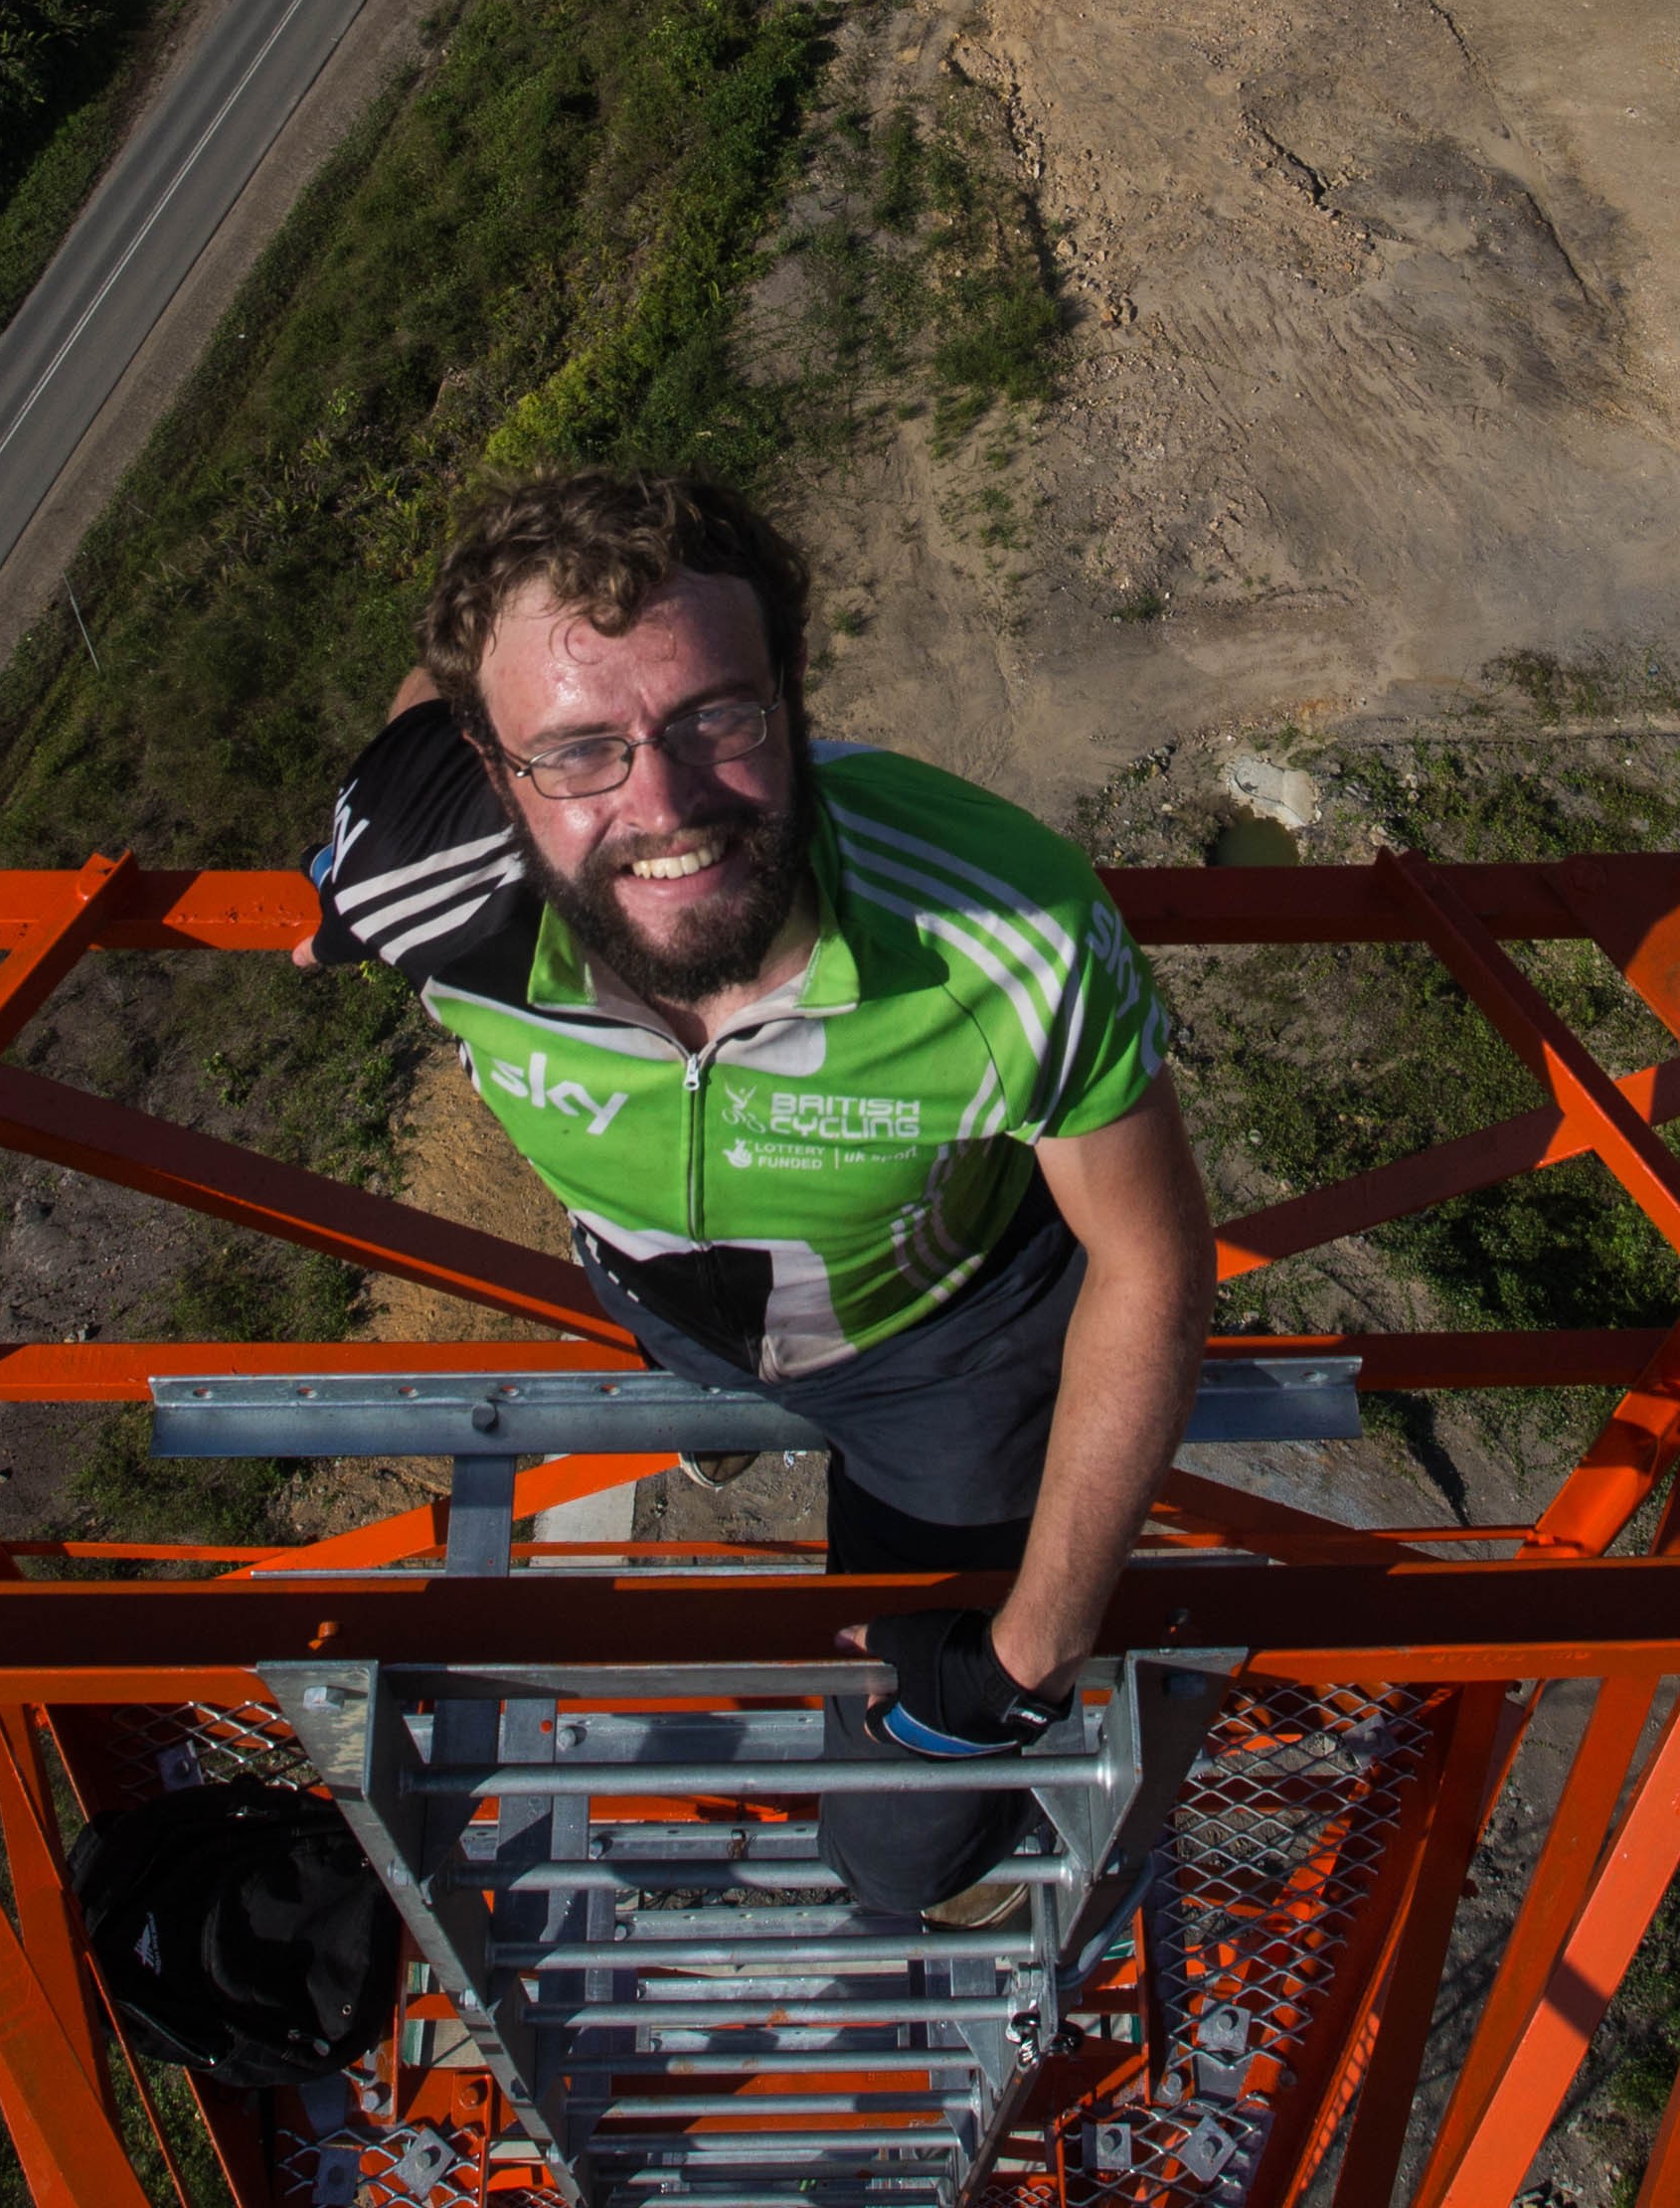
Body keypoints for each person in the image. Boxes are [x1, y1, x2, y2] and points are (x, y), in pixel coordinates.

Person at [301, 470, 1215, 1926]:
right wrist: (347, 875)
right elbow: (422, 709)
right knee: (699, 1336)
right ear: (490, 768)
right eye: (579, 751)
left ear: (791, 700)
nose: (660, 807)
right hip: (668, 1300)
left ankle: (935, 1869)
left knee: (904, 1835)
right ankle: (733, 1411)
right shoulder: (424, 878)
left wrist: (1032, 1651)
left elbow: (1153, 1264)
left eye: (713, 718)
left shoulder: (1004, 932)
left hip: (946, 1352)